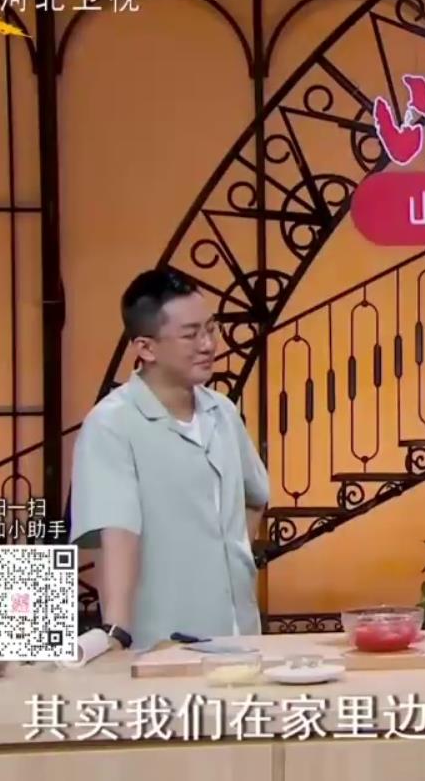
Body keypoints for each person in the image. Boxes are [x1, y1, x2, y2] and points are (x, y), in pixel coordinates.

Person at [69, 268, 270, 651]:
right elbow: (117, 535)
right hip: (161, 644)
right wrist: (116, 631)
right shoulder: (112, 424)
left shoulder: (223, 412)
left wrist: (233, 556)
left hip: (241, 637)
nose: (208, 344)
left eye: (211, 329)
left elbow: (255, 495)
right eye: (190, 335)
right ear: (146, 348)